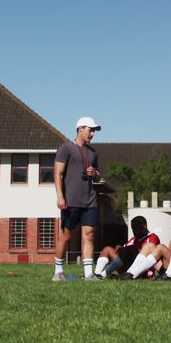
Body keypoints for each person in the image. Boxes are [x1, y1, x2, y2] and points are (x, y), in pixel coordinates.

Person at [52, 116, 102, 281]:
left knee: (89, 235)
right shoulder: (66, 148)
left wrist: (94, 174)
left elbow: (97, 177)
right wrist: (60, 196)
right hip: (70, 200)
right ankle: (58, 272)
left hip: (90, 200)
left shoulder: (93, 153)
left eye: (94, 131)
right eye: (90, 130)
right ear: (80, 129)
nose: (92, 134)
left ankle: (89, 274)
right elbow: (57, 173)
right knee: (66, 236)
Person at [96, 216, 160, 279]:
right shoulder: (133, 239)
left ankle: (103, 275)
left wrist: (131, 250)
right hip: (127, 266)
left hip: (143, 269)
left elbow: (149, 253)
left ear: (144, 226)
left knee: (131, 249)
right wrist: (120, 249)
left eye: (136, 227)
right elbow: (124, 251)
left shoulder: (152, 237)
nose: (134, 230)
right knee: (107, 249)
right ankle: (97, 275)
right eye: (132, 228)